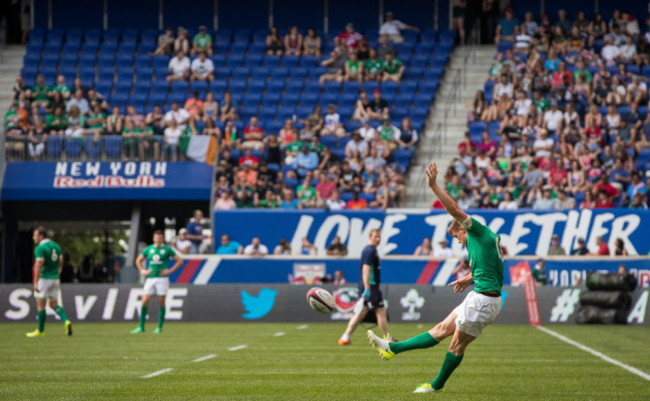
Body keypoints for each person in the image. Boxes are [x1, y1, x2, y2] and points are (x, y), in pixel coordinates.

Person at [367, 162, 503, 394]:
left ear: (463, 229)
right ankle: (392, 348)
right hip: (479, 296)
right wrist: (467, 278)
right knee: (441, 329)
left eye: (457, 237)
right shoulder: (483, 243)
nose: (458, 241)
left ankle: (435, 386)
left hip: (484, 301)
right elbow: (492, 270)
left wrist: (433, 186)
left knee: (455, 344)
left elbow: (454, 209)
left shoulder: (478, 233)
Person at [339, 229, 392, 345]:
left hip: (367, 285)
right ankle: (389, 340)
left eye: (379, 237)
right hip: (370, 286)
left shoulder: (370, 250)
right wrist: (367, 288)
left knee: (361, 313)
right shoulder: (370, 251)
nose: (378, 239)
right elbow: (366, 269)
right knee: (381, 311)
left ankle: (345, 337)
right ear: (370, 237)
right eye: (375, 237)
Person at [131, 230, 183, 334]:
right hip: (150, 278)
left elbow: (180, 261)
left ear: (162, 239)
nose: (158, 240)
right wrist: (143, 270)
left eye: (160, 238)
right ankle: (141, 327)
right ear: (153, 238)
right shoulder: (149, 249)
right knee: (145, 301)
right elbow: (138, 260)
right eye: (156, 238)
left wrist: (170, 270)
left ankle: (159, 327)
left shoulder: (167, 249)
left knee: (161, 302)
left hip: (162, 279)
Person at [26, 227, 73, 338]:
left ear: (41, 236)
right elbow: (61, 261)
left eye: (35, 235)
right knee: (54, 304)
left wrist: (35, 281)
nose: (34, 238)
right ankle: (66, 321)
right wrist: (58, 273)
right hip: (55, 278)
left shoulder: (40, 248)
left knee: (41, 305)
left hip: (44, 278)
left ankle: (40, 330)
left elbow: (39, 264)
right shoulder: (56, 246)